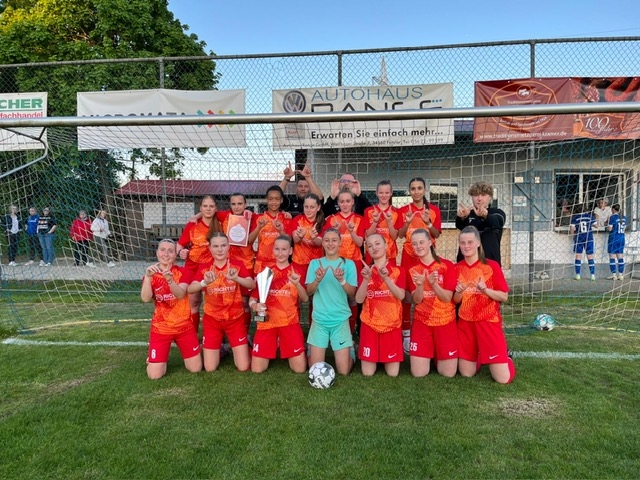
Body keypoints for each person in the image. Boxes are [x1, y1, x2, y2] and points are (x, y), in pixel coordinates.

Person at [453, 226, 515, 384]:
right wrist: (459, 292)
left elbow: (504, 296)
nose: (466, 246)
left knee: (502, 379)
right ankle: (480, 355)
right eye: (462, 243)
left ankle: (505, 357)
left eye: (470, 242)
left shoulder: (492, 266)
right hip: (466, 323)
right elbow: (456, 301)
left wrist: (485, 290)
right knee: (467, 374)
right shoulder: (456, 268)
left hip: (488, 322)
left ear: (478, 243)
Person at [187, 232, 255, 372]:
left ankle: (243, 348)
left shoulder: (237, 265)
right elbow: (190, 288)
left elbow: (251, 284)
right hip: (212, 319)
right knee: (210, 368)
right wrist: (204, 282)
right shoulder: (205, 267)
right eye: (216, 246)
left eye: (223, 246)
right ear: (210, 248)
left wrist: (236, 279)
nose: (219, 250)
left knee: (243, 367)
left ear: (228, 247)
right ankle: (220, 349)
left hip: (235, 319)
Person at [141, 239, 202, 380]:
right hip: (161, 328)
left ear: (175, 255)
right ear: (157, 253)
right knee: (154, 375)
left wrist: (170, 280)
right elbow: (145, 298)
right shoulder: (150, 274)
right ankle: (154, 359)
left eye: (170, 251)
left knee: (195, 368)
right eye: (162, 250)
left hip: (184, 327)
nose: (166, 254)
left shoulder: (184, 272)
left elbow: (180, 294)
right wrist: (148, 278)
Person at [249, 235, 308, 374]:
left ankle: (285, 344)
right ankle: (271, 344)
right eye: (277, 249)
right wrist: (254, 306)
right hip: (267, 323)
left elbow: (305, 299)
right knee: (257, 369)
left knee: (299, 369)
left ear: (290, 251)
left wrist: (297, 284)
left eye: (284, 249)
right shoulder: (265, 272)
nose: (280, 253)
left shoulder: (297, 271)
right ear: (273, 250)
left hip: (289, 322)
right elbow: (253, 298)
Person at [397, 177, 442, 353]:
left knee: (429, 294)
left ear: (424, 190)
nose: (416, 191)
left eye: (419, 188)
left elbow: (436, 234)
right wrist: (407, 222)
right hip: (409, 258)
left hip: (428, 259)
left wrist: (428, 222)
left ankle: (430, 327)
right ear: (409, 191)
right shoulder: (403, 210)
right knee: (408, 297)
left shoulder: (434, 210)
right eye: (413, 188)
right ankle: (406, 335)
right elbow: (400, 234)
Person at [407, 229, 458, 378]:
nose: (418, 246)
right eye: (415, 244)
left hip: (445, 321)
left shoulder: (447, 265)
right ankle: (431, 353)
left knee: (448, 374)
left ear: (430, 242)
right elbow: (417, 300)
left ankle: (438, 354)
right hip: (422, 322)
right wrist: (420, 285)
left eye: (421, 242)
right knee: (418, 373)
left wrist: (434, 284)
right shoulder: (412, 270)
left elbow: (447, 298)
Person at [306, 228, 357, 375]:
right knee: (314, 369)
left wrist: (342, 280)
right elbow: (309, 292)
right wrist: (317, 280)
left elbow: (352, 294)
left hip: (340, 319)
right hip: (319, 319)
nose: (330, 244)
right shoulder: (315, 263)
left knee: (343, 371)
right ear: (322, 243)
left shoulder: (348, 264)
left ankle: (351, 350)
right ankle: (311, 349)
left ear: (340, 242)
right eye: (327, 240)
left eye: (334, 240)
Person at [355, 233, 406, 377]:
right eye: (370, 246)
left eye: (377, 243)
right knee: (367, 373)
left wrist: (387, 279)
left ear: (386, 245)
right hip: (369, 325)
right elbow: (359, 300)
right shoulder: (365, 271)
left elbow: (401, 296)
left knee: (392, 374)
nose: (374, 248)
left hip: (391, 325)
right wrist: (366, 279)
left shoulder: (398, 271)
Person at [321, 189, 365, 333]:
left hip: (354, 262)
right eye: (342, 201)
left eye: (348, 201)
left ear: (352, 202)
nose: (345, 204)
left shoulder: (359, 219)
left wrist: (351, 231)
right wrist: (336, 231)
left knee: (352, 298)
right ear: (338, 203)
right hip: (336, 262)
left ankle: (350, 332)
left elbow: (359, 243)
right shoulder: (331, 219)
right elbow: (327, 242)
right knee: (337, 296)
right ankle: (336, 328)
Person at [177, 195, 223, 331]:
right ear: (200, 208)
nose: (208, 209)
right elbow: (179, 245)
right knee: (193, 301)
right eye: (205, 206)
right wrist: (180, 252)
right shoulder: (193, 225)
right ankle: (192, 334)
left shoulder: (221, 224)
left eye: (211, 206)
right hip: (193, 267)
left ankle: (215, 336)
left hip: (213, 268)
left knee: (214, 303)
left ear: (216, 208)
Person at [215, 193, 258, 329]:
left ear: (245, 204)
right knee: (228, 299)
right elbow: (209, 211)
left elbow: (250, 240)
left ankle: (244, 332)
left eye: (240, 204)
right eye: (233, 204)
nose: (237, 207)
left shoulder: (252, 217)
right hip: (229, 264)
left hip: (246, 264)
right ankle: (228, 330)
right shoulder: (225, 216)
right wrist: (196, 216)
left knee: (245, 301)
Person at [456, 181, 505, 265]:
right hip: (466, 263)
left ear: (490, 197)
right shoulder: (467, 213)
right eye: (476, 195)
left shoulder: (497, 213)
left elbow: (497, 222)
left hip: (489, 263)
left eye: (483, 195)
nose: (479, 198)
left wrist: (485, 216)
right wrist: (462, 217)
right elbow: (459, 225)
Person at [249, 186, 291, 275]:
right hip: (261, 264)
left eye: (277, 199)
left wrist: (280, 231)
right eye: (270, 199)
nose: (273, 202)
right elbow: (249, 241)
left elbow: (290, 241)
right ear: (266, 200)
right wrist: (258, 228)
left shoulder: (286, 218)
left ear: (281, 200)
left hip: (280, 263)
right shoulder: (259, 218)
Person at [362, 180, 402, 265]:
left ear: (391, 193)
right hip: (372, 254)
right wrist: (375, 221)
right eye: (381, 193)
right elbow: (368, 235)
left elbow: (394, 237)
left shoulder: (396, 212)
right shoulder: (369, 211)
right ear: (376, 193)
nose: (384, 195)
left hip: (389, 253)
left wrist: (389, 223)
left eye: (387, 193)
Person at [569, 203, 597, 281]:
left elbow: (572, 229)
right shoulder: (589, 216)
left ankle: (578, 275)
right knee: (590, 256)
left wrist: (574, 235)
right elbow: (596, 226)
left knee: (578, 256)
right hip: (589, 238)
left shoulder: (575, 217)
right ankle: (592, 275)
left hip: (579, 238)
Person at [606, 203, 627, 280]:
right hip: (621, 238)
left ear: (613, 209)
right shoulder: (624, 217)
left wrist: (607, 223)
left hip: (613, 239)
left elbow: (610, 229)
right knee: (620, 256)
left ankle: (614, 275)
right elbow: (624, 227)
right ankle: (621, 275)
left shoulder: (612, 217)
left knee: (612, 257)